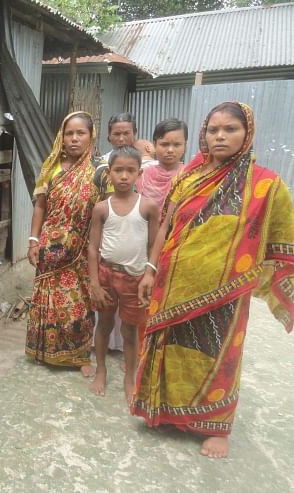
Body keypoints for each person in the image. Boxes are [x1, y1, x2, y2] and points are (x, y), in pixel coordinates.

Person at [133, 102, 294, 459]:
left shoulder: (267, 185)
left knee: (216, 354)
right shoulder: (189, 177)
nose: (220, 136)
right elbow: (166, 226)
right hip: (172, 287)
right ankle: (165, 411)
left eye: (230, 129)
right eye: (213, 130)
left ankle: (217, 426)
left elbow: (282, 240)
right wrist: (150, 269)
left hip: (224, 294)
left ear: (247, 133)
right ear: (204, 134)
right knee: (170, 349)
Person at [26, 112, 99, 375]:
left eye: (81, 133)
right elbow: (40, 208)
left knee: (78, 303)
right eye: (69, 133)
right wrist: (34, 240)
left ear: (91, 136)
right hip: (49, 248)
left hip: (82, 250)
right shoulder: (51, 167)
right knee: (48, 300)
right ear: (62, 137)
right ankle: (44, 351)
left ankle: (79, 356)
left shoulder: (98, 171)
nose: (74, 139)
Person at [87, 146, 159, 401]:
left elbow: (153, 246)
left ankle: (130, 377)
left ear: (139, 173)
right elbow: (93, 248)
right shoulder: (101, 208)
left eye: (130, 171)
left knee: (130, 331)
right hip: (107, 275)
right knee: (104, 324)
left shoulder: (148, 207)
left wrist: (150, 276)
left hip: (134, 279)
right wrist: (94, 282)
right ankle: (101, 370)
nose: (124, 176)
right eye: (118, 170)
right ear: (109, 173)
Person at [93, 112, 139, 355]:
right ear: (109, 137)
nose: (122, 138)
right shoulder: (101, 165)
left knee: (130, 303)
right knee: (107, 302)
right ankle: (105, 346)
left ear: (134, 134)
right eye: (117, 133)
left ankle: (125, 349)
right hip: (107, 233)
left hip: (134, 239)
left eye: (126, 133)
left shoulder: (143, 164)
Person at [137, 119, 188, 211]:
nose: (170, 150)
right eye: (164, 144)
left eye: (177, 145)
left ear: (185, 145)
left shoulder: (188, 176)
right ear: (155, 144)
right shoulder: (142, 175)